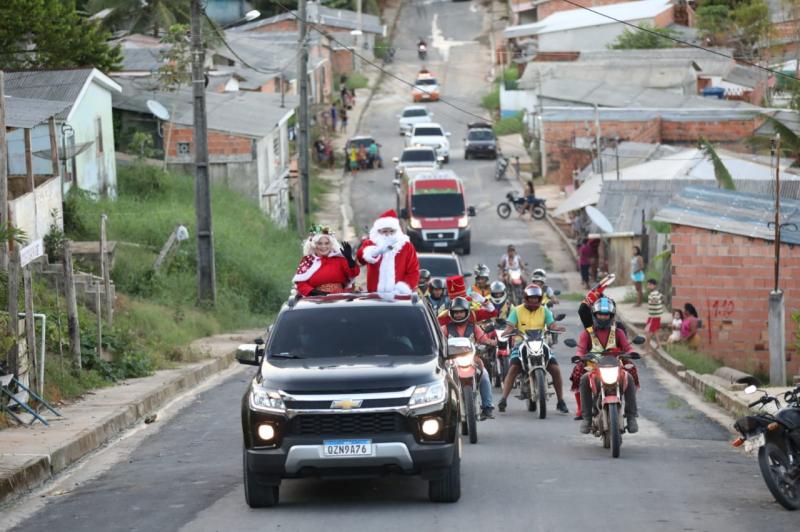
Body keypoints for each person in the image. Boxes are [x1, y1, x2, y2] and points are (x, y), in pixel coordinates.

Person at [496, 285, 568, 414]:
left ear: (540, 298)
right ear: (526, 298)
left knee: (555, 369)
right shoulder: (517, 311)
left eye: (536, 298)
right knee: (513, 369)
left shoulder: (544, 310)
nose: (534, 301)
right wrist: (507, 332)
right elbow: (510, 326)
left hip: (541, 343)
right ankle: (503, 399)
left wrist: (556, 328)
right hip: (521, 344)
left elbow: (552, 324)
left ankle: (561, 401)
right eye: (531, 298)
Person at [575, 297, 639, 434]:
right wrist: (580, 356)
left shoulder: (618, 332)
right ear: (594, 315)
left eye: (606, 315)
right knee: (584, 379)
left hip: (616, 367)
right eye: (600, 314)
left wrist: (631, 353)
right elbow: (580, 349)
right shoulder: (587, 333)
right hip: (594, 368)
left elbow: (627, 347)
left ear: (611, 316)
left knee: (629, 378)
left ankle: (632, 416)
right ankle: (586, 418)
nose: (603, 317)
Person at [441, 297, 496, 420]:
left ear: (466, 312)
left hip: (473, 360)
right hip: (451, 361)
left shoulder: (474, 327)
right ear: (451, 313)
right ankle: (443, 408)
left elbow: (484, 339)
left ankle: (488, 407)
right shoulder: (445, 328)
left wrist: (491, 343)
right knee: (442, 380)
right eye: (456, 312)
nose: (459, 314)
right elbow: (439, 342)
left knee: (485, 376)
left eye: (461, 312)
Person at [356, 209, 420, 295]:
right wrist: (376, 251)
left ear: (397, 231)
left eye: (391, 231)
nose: (388, 234)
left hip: (399, 296)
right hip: (374, 296)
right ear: (379, 231)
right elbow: (360, 258)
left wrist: (402, 289)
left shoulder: (406, 246)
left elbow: (413, 272)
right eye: (385, 231)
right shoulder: (371, 243)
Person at [293, 226, 359, 296]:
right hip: (317, 300)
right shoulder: (308, 260)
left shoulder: (339, 259)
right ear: (314, 245)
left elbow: (353, 273)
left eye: (327, 243)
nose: (323, 246)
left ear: (331, 244)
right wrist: (316, 293)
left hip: (340, 298)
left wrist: (350, 260)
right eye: (319, 243)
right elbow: (301, 284)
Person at [645, 279, 664, 353]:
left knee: (648, 331)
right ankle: (659, 345)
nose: (648, 286)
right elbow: (662, 297)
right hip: (655, 315)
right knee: (655, 330)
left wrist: (655, 301)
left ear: (654, 285)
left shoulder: (654, 294)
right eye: (648, 284)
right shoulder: (656, 293)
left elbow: (655, 300)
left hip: (653, 316)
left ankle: (647, 348)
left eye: (650, 284)